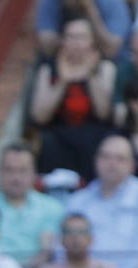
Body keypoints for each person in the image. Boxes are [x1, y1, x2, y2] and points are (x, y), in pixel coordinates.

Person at [64, 135, 138, 268]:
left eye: (120, 159)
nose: (111, 164)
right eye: (105, 157)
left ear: (133, 165)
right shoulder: (78, 200)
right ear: (96, 161)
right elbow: (62, 249)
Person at [29, 18, 116, 183]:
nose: (76, 43)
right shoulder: (49, 68)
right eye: (71, 37)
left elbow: (104, 112)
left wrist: (91, 74)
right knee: (45, 142)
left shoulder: (104, 68)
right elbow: (39, 116)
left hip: (91, 138)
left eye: (81, 37)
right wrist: (62, 80)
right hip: (58, 137)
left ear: (92, 42)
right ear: (62, 41)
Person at [0, 143, 65, 268]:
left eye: (22, 170)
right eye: (9, 170)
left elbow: (47, 253)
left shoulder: (52, 208)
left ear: (34, 173)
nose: (16, 177)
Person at [36, 0, 131, 59]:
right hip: (64, 58)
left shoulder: (112, 3)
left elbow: (111, 50)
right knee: (43, 63)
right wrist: (73, 43)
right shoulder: (51, 2)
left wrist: (90, 8)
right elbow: (47, 47)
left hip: (106, 61)